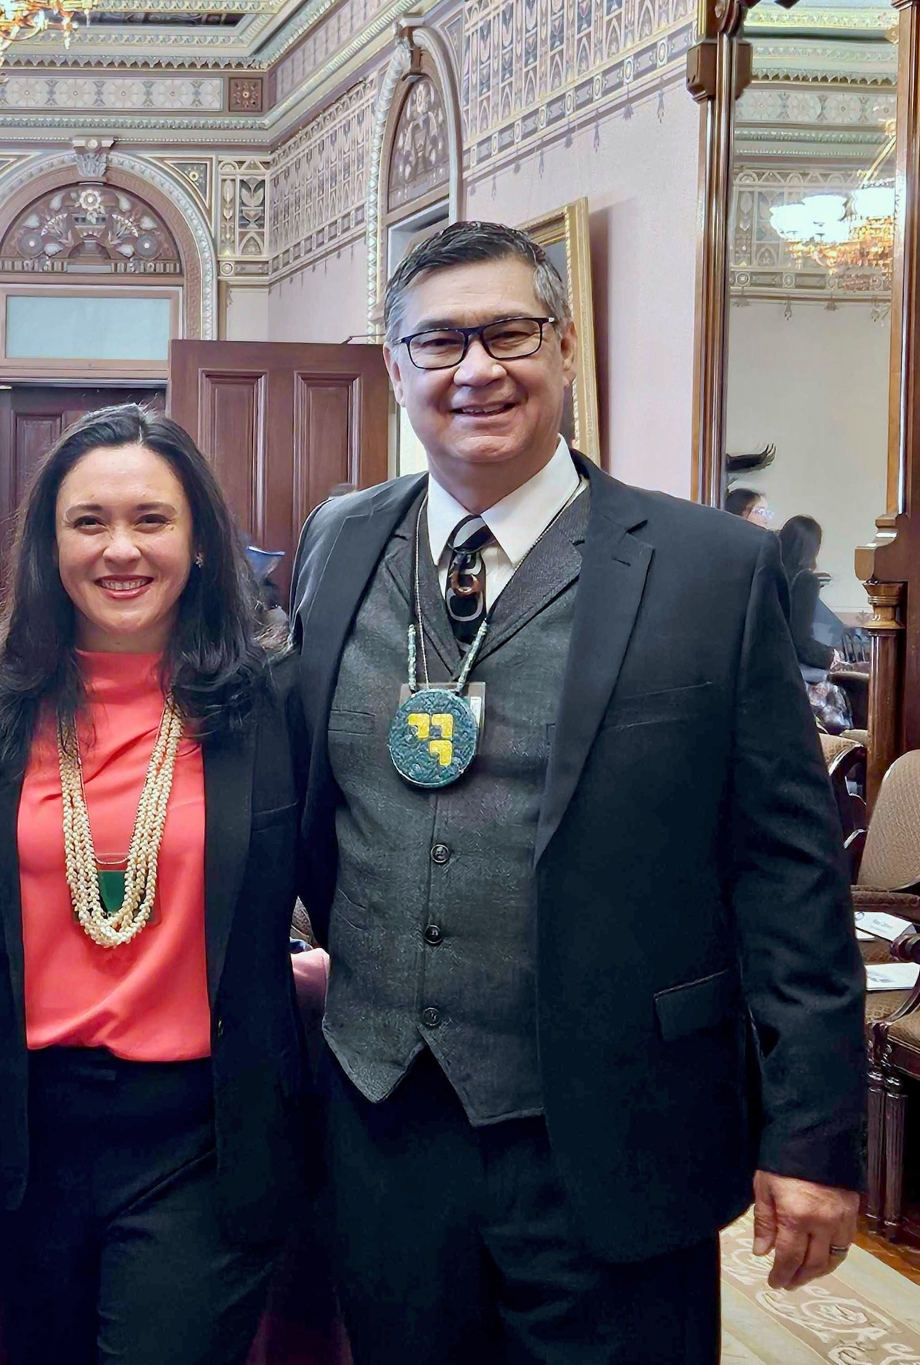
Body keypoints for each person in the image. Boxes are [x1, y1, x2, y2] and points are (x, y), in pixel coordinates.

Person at [290, 220, 864, 1363]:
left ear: (561, 350)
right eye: (438, 342)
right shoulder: (337, 539)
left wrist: (810, 1135)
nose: (474, 370)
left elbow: (786, 872)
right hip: (380, 1119)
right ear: (395, 368)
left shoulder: (710, 570)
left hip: (614, 1126)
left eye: (505, 333)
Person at [0, 406, 305, 1362]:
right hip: (29, 1139)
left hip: (205, 1137)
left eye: (152, 519)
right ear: (47, 544)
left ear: (199, 543)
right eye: (88, 521)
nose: (121, 549)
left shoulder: (272, 704)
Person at [778, 515, 840, 676]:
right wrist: (829, 657)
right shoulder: (805, 581)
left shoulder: (768, 572)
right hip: (788, 671)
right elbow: (800, 640)